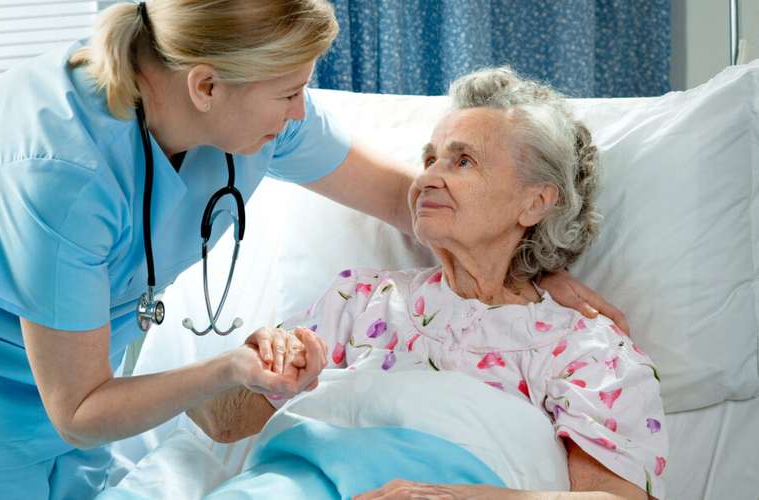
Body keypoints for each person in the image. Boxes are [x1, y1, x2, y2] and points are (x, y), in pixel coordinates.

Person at [0, 1, 626, 498]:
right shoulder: (56, 169)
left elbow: (403, 198)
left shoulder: (585, 349)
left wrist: (538, 265)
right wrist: (235, 369)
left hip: (89, 379)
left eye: (464, 162)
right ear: (206, 86)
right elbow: (92, 409)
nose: (302, 111)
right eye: (290, 92)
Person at [192, 67, 668, 499]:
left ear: (536, 202)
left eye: (463, 162)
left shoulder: (589, 353)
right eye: (430, 159)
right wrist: (249, 367)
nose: (427, 179)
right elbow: (219, 423)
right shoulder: (358, 301)